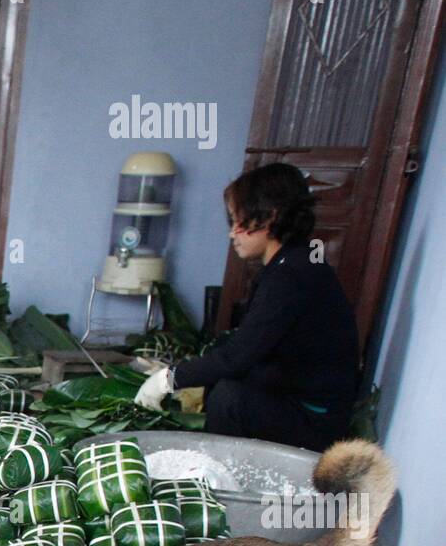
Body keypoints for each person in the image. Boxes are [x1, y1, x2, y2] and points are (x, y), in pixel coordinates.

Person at [136, 163, 359, 450]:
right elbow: (248, 346)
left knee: (229, 398)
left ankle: (218, 477)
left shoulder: (291, 277)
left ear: (269, 217)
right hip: (295, 399)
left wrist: (168, 380)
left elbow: (238, 357)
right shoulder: (292, 262)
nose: (233, 234)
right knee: (222, 382)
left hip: (315, 421)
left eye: (238, 222)